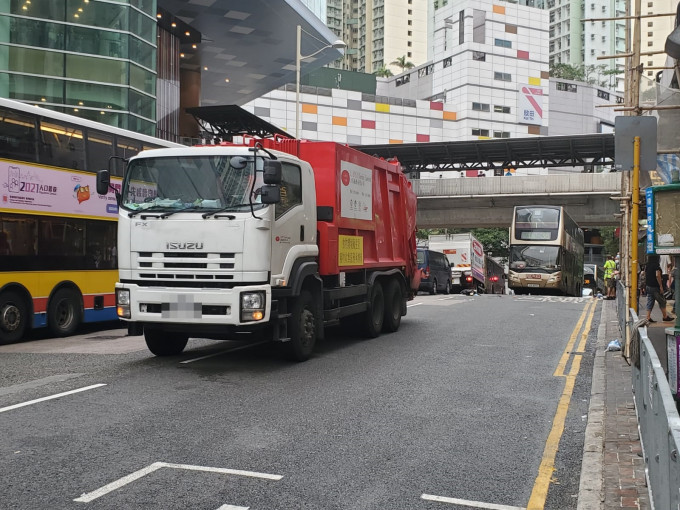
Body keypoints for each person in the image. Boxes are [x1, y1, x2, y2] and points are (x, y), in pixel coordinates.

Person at [645, 254, 675, 322]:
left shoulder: (648, 265)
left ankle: (648, 317)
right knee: (662, 301)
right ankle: (665, 316)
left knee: (650, 301)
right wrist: (661, 286)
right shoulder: (656, 266)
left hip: (648, 286)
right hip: (655, 286)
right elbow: (657, 275)